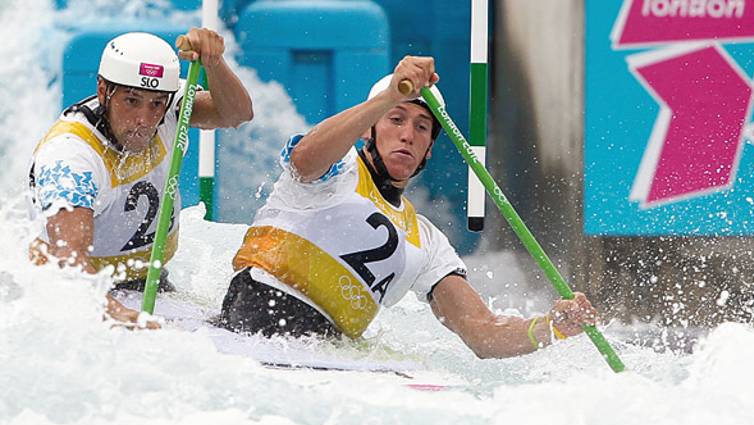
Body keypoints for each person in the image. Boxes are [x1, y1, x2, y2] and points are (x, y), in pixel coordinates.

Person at [220, 55, 597, 358]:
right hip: (254, 318)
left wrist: (551, 326)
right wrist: (388, 96)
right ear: (370, 128)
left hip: (327, 352)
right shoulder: (336, 168)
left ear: (430, 149)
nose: (407, 134)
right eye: (396, 119)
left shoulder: (428, 242)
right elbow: (303, 159)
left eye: (421, 127)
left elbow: (482, 333)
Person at [28, 29, 253, 327]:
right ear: (103, 90)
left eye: (156, 104)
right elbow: (67, 258)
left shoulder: (173, 107)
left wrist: (214, 63)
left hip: (148, 283)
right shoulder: (71, 156)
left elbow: (236, 114)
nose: (144, 121)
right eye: (131, 101)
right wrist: (115, 313)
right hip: (72, 293)